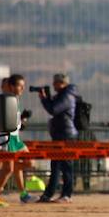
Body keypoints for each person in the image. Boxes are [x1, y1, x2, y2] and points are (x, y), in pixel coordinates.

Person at [0, 74, 33, 206]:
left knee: (29, 162)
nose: (22, 89)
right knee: (8, 168)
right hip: (5, 139)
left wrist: (22, 120)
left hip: (15, 138)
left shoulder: (15, 99)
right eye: (20, 86)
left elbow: (14, 121)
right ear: (12, 86)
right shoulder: (0, 100)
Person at [37, 73, 78, 203]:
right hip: (60, 133)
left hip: (66, 135)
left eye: (57, 83)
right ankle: (48, 194)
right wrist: (47, 98)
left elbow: (53, 109)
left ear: (63, 83)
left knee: (66, 165)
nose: (54, 85)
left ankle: (67, 194)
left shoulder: (67, 95)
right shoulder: (63, 95)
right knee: (56, 164)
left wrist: (44, 99)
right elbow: (53, 108)